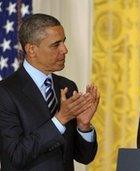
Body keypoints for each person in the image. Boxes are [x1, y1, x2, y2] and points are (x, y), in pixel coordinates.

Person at [0, 13, 99, 170]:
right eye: (56, 45)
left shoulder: (67, 87)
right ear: (31, 49)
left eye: (64, 42)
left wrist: (83, 125)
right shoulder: (5, 93)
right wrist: (60, 119)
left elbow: (84, 157)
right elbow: (15, 155)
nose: (65, 50)